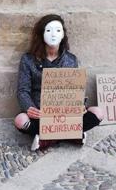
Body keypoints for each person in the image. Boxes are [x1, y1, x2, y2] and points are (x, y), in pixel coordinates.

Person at [14, 14, 104, 151]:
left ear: (63, 35)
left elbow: (76, 89)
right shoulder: (28, 59)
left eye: (58, 30)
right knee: (20, 120)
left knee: (98, 112)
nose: (53, 35)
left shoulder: (71, 59)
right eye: (49, 31)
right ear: (41, 34)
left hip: (65, 113)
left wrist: (80, 106)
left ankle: (48, 137)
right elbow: (23, 90)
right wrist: (29, 108)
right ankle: (71, 134)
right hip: (41, 113)